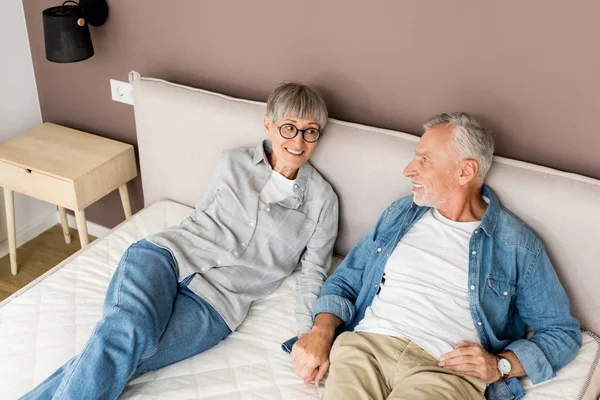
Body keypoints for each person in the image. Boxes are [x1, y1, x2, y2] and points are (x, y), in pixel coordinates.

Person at [23, 83, 339, 399]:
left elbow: (314, 273)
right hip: (167, 257)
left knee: (126, 354)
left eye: (310, 131)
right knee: (123, 337)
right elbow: (201, 217)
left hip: (217, 304)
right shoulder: (233, 162)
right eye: (289, 128)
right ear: (268, 124)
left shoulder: (323, 201)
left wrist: (309, 335)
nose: (298, 141)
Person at [289, 112, 581, 400]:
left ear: (465, 172)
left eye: (425, 160)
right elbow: (345, 282)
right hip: (366, 351)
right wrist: (321, 332)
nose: (408, 169)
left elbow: (561, 333)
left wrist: (500, 365)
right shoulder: (400, 214)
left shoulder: (518, 246)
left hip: (444, 372)